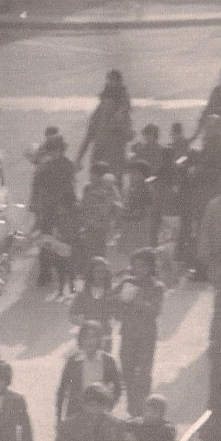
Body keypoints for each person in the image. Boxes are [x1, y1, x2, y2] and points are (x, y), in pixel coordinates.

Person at [173, 113, 221, 281]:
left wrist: (197, 168)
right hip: (200, 192)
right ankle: (197, 265)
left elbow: (216, 167)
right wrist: (183, 161)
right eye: (207, 126)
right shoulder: (208, 142)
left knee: (206, 230)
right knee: (199, 228)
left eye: (211, 126)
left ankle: (203, 269)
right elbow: (192, 156)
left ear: (219, 127)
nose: (208, 129)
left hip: (211, 191)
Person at [116, 246, 166, 414]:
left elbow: (156, 310)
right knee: (127, 370)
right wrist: (119, 300)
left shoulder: (157, 286)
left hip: (146, 335)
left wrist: (138, 301)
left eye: (143, 266)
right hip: (128, 333)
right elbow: (115, 309)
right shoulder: (127, 283)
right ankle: (132, 407)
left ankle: (142, 408)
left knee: (143, 372)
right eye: (135, 266)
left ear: (151, 267)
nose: (139, 270)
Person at [30, 135, 79, 296]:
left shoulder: (65, 165)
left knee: (62, 240)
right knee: (46, 240)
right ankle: (46, 272)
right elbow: (37, 186)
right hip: (50, 207)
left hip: (61, 207)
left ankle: (59, 273)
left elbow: (70, 187)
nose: (53, 153)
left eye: (55, 149)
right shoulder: (53, 165)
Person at [78, 69, 133, 180]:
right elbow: (88, 137)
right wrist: (79, 158)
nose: (107, 105)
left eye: (114, 80)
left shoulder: (123, 111)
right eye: (110, 80)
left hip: (114, 161)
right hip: (99, 159)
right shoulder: (99, 114)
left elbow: (128, 136)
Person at [75, 161, 123, 264]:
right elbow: (83, 205)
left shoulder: (111, 189)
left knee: (99, 252)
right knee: (87, 250)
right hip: (89, 224)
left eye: (94, 174)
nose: (91, 177)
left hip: (101, 226)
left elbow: (116, 206)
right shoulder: (88, 188)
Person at [70, 255, 119, 348]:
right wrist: (85, 323)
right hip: (87, 336)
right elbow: (72, 314)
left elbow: (118, 314)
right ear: (91, 273)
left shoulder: (111, 292)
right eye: (97, 271)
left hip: (105, 335)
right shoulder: (83, 292)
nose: (100, 275)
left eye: (103, 272)